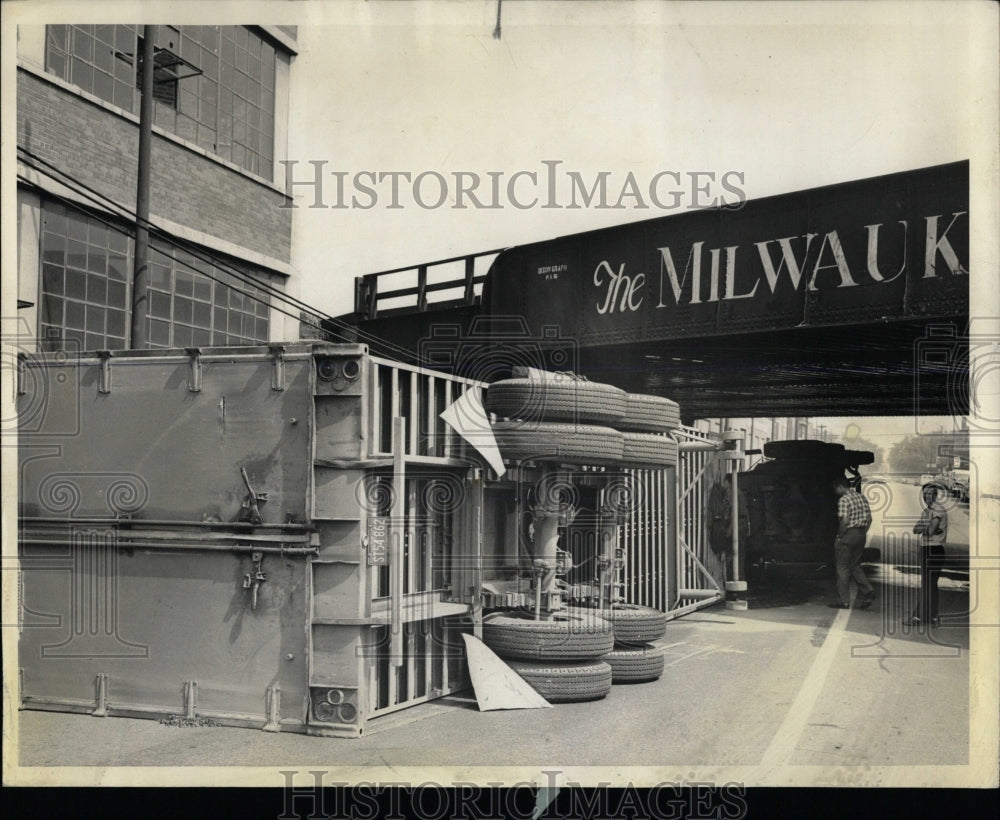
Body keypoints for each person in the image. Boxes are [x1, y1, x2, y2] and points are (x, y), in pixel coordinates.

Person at [904, 482, 949, 626]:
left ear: (935, 495)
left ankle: (919, 617)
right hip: (926, 548)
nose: (926, 497)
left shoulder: (939, 510)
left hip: (934, 550)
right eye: (924, 494)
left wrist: (926, 527)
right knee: (930, 584)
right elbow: (915, 529)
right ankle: (933, 617)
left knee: (928, 584)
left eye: (929, 494)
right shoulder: (926, 511)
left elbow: (928, 531)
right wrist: (927, 527)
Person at [829, 476, 875, 609]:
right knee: (855, 565)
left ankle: (844, 601)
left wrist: (840, 535)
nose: (835, 492)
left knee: (842, 567)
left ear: (840, 486)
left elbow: (844, 520)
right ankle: (868, 590)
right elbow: (870, 519)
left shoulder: (843, 499)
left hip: (848, 535)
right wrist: (862, 532)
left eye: (835, 489)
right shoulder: (861, 497)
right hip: (860, 534)